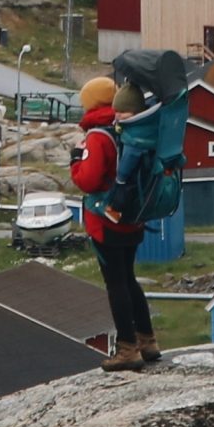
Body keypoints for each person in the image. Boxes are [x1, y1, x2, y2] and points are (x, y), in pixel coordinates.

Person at [70, 75, 159, 371]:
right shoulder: (130, 128)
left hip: (107, 220)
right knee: (129, 279)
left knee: (116, 283)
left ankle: (127, 348)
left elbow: (89, 179)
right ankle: (147, 340)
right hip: (133, 216)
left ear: (91, 103)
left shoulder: (98, 135)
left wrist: (74, 162)